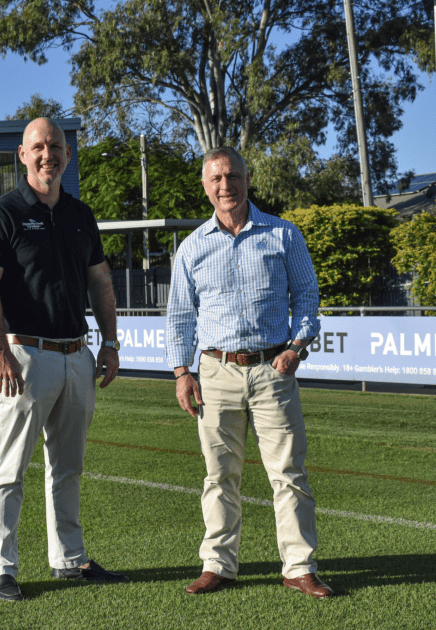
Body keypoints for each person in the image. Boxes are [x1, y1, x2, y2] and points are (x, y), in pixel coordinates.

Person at [0, 117, 129, 602]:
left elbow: (100, 281)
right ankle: (3, 568)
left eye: (56, 146)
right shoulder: (2, 214)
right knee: (11, 467)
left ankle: (69, 558)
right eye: (38, 147)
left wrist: (110, 343)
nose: (48, 155)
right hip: (23, 355)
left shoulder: (80, 215)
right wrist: (0, 352)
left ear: (66, 153)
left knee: (68, 467)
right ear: (22, 155)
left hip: (76, 355)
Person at [164, 147, 333, 599]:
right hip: (215, 372)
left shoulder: (283, 235)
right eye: (216, 178)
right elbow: (180, 315)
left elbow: (308, 297)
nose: (225, 186)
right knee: (219, 475)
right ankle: (218, 565)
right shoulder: (193, 247)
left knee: (289, 473)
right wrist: (183, 372)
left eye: (232, 176)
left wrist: (297, 347)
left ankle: (299, 567)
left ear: (247, 179)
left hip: (273, 369)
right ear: (205, 186)